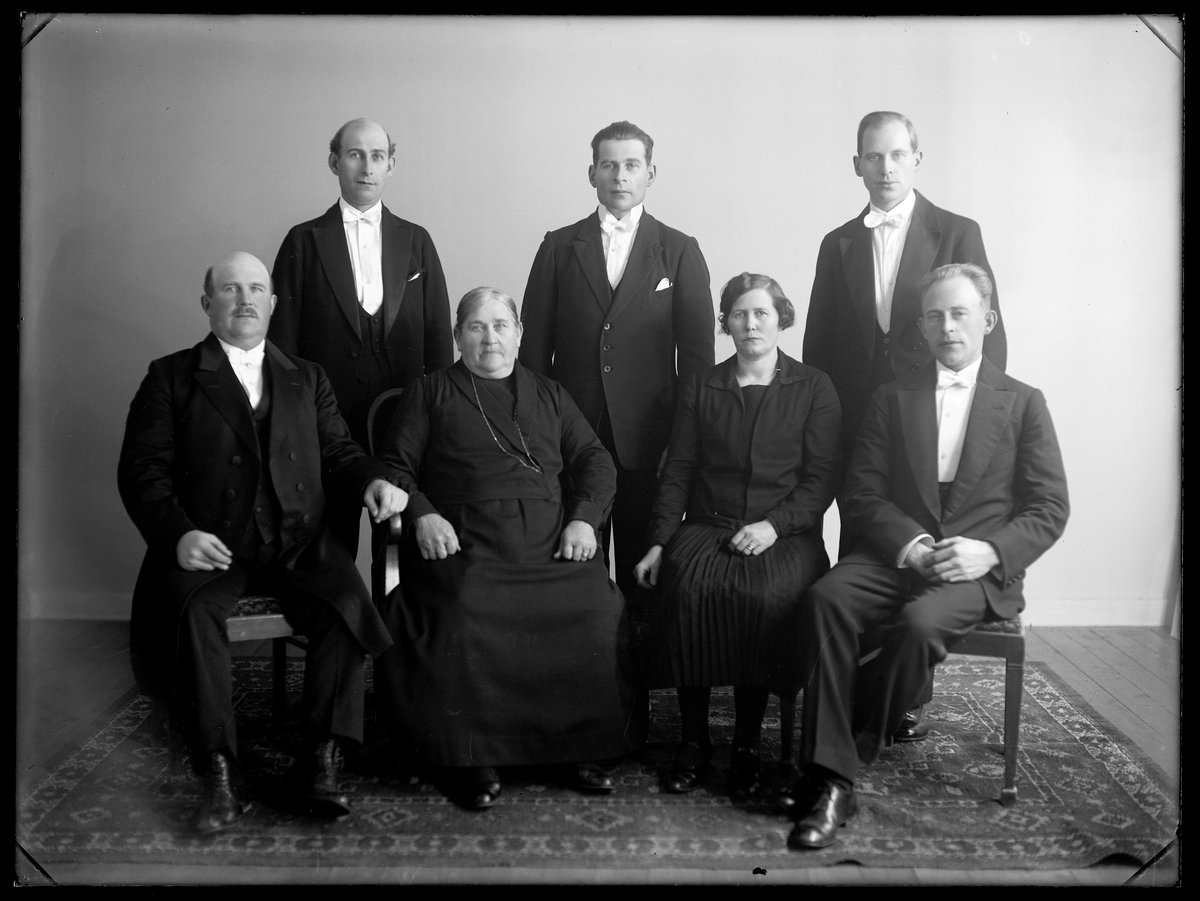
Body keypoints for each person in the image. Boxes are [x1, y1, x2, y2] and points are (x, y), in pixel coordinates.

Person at [117, 252, 409, 834]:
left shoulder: (308, 376)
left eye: (256, 289)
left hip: (297, 541)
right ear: (208, 303)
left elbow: (339, 453)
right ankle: (218, 771)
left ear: (273, 303)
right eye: (231, 289)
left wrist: (375, 481)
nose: (245, 299)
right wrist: (178, 535)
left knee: (343, 604)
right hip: (210, 545)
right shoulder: (170, 376)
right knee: (193, 614)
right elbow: (142, 471)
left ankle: (320, 760)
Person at [785, 263, 1068, 850]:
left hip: (974, 570)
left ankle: (836, 770)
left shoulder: (1024, 402)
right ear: (920, 325)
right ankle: (835, 773)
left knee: (918, 625)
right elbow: (861, 493)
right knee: (825, 598)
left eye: (960, 313)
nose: (947, 327)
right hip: (898, 555)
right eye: (935, 316)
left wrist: (989, 552)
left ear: (987, 320)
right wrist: (911, 546)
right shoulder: (891, 397)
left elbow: (1049, 506)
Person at [374, 287, 645, 810]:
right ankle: (470, 755)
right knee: (464, 610)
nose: (490, 338)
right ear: (458, 336)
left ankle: (579, 747)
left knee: (595, 606)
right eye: (477, 327)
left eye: (501, 325)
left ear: (519, 334)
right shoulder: (429, 392)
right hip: (464, 540)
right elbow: (395, 467)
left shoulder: (550, 393)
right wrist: (423, 513)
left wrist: (584, 520)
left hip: (549, 540)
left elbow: (595, 460)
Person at [803, 110, 1007, 741]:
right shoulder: (837, 242)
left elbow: (988, 338)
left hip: (933, 420)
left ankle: (904, 697)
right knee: (863, 547)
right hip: (857, 422)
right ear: (857, 165)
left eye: (897, 155)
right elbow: (818, 346)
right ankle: (855, 687)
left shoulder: (958, 231)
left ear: (917, 159)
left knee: (927, 548)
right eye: (873, 156)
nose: (886, 168)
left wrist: (971, 427)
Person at [633, 273, 842, 798]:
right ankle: (695, 740)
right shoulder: (701, 385)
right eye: (739, 314)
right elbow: (679, 470)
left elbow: (821, 480)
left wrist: (775, 526)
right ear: (725, 322)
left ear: (781, 319)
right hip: (709, 525)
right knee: (685, 588)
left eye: (761, 313)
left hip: (784, 533)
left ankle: (747, 743)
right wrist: (659, 542)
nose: (750, 324)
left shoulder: (814, 386)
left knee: (762, 595)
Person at [519, 121, 715, 602]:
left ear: (651, 173)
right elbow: (533, 352)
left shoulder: (679, 249)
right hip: (571, 431)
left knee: (640, 562)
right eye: (609, 165)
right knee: (573, 560)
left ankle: (638, 649)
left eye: (631, 165)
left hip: (649, 435)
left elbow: (697, 360)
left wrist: (682, 439)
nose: (620, 176)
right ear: (592, 174)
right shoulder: (558, 246)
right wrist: (540, 434)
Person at [269, 117, 453, 556]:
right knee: (330, 544)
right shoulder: (303, 241)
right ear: (334, 163)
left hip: (404, 418)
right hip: (326, 423)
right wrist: (298, 422)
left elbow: (437, 341)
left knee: (403, 544)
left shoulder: (417, 241)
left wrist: (438, 417)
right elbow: (281, 345)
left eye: (377, 156)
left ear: (391, 164)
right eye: (355, 155)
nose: (367, 167)